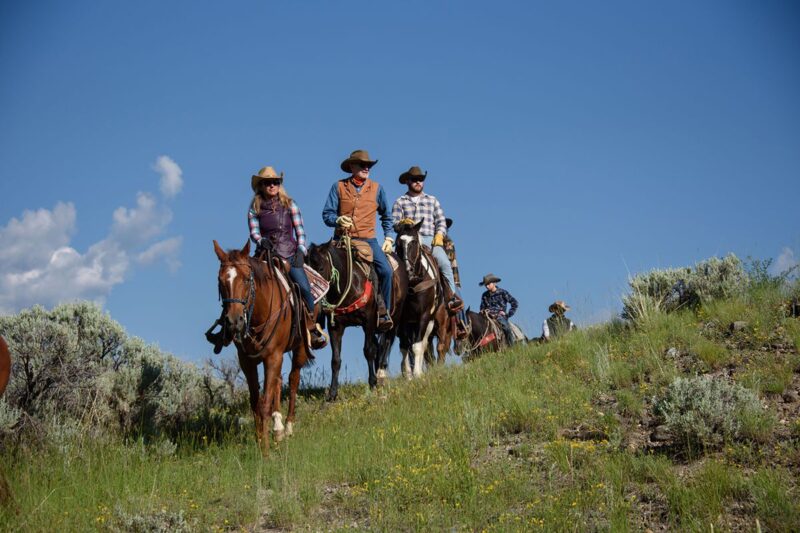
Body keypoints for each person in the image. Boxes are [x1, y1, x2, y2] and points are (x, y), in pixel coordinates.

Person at [248, 166, 327, 349]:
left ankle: (311, 328)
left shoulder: (290, 204)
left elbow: (300, 230)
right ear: (261, 185)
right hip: (266, 256)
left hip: (290, 255)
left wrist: (301, 250)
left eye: (275, 182)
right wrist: (261, 241)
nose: (272, 185)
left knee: (306, 289)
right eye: (267, 182)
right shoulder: (254, 208)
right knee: (245, 285)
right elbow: (254, 232)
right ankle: (233, 327)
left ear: (279, 184)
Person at [322, 149, 395, 331]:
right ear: (351, 167)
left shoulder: (377, 188)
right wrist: (337, 220)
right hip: (341, 241)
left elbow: (387, 216)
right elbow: (327, 214)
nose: (366, 168)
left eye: (368, 165)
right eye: (362, 165)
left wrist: (388, 237)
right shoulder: (338, 186)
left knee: (386, 271)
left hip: (368, 241)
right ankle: (318, 321)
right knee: (319, 270)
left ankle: (382, 312)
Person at [391, 166, 463, 312]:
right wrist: (402, 224)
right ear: (407, 182)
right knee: (389, 265)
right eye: (415, 179)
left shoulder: (432, 200)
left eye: (421, 179)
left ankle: (451, 298)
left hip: (429, 239)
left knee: (444, 263)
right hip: (407, 240)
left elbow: (441, 221)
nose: (418, 182)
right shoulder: (400, 201)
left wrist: (439, 236)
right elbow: (394, 223)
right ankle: (387, 303)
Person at [479, 273, 518, 345]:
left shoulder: (503, 292)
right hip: (487, 317)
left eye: (488, 284)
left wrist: (508, 314)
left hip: (499, 317)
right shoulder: (484, 295)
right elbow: (481, 308)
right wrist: (483, 311)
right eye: (485, 285)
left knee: (506, 328)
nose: (487, 286)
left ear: (494, 283)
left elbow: (514, 303)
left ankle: (511, 346)